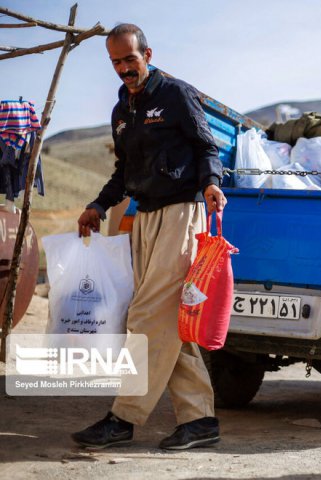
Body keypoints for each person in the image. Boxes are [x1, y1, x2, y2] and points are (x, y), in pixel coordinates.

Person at [72, 23, 227, 450]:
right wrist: (99, 205)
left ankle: (123, 418)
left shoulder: (176, 94)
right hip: (146, 218)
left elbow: (206, 148)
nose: (124, 69)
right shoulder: (122, 109)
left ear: (148, 54)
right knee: (167, 323)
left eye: (130, 60)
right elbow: (123, 171)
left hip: (182, 214)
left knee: (144, 317)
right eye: (116, 63)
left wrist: (212, 183)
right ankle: (201, 421)